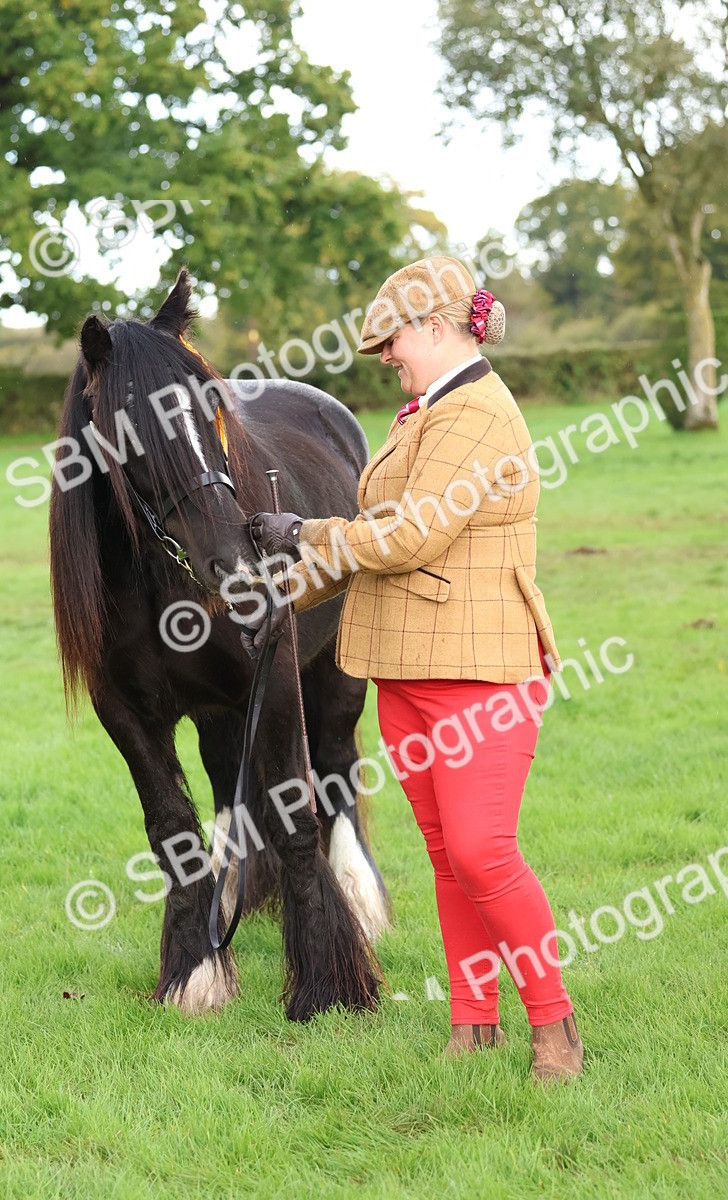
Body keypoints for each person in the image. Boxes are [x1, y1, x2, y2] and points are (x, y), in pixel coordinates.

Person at [245, 256, 583, 1084]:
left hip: (482, 671)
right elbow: (377, 536)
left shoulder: (476, 414)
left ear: (436, 327)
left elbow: (407, 537)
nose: (388, 354)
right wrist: (273, 591)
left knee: (483, 851)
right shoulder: (422, 414)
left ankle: (555, 1028)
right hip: (407, 665)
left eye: (393, 338)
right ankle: (475, 1024)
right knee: (445, 855)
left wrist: (305, 532)